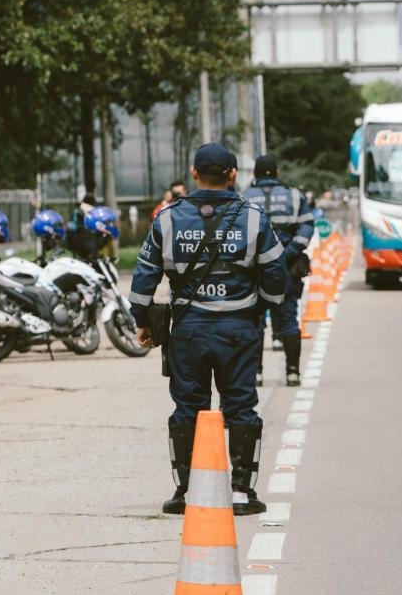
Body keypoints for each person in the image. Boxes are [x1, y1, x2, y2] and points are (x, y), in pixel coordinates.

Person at [129, 143, 286, 517]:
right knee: (241, 408)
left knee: (188, 408)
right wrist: (260, 308)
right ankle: (242, 493)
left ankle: (185, 492)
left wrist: (143, 322)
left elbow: (143, 279)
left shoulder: (166, 220)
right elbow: (276, 275)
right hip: (238, 330)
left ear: (193, 173)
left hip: (187, 331)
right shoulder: (253, 219)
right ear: (233, 175)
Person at [242, 155, 313, 387]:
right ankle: (293, 373)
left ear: (255, 174)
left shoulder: (243, 198)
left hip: (254, 270)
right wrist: (290, 251)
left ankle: (256, 374)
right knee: (289, 320)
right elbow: (306, 225)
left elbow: (237, 231)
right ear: (278, 173)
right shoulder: (294, 196)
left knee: (255, 321)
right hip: (286, 269)